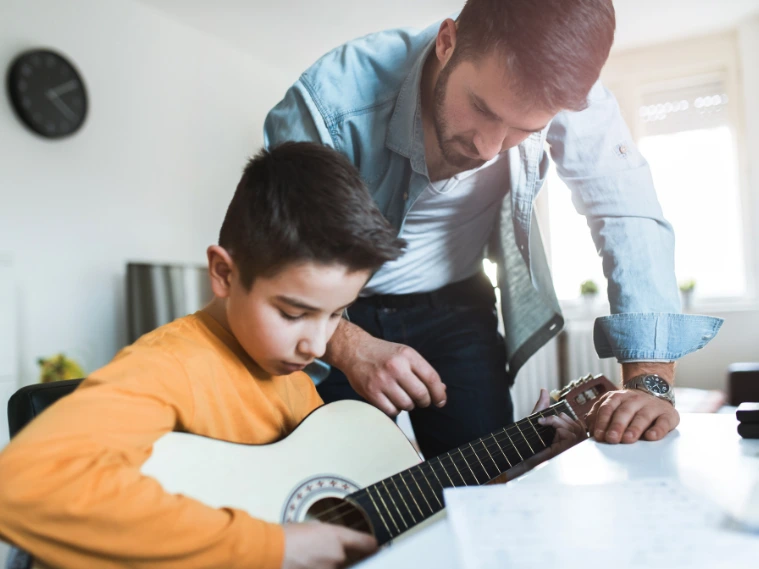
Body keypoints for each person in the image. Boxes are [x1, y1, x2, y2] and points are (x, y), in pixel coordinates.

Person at [0, 142, 584, 569]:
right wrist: (273, 547)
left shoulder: (293, 375)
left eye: (338, 314)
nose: (316, 342)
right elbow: (23, 487)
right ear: (225, 275)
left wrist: (517, 465)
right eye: (293, 311)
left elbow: (365, 500)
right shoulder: (172, 365)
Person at [264, 0, 724, 460]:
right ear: (447, 42)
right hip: (340, 313)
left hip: (457, 304)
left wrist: (648, 382)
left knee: (486, 473)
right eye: (480, 108)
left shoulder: (570, 97)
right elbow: (275, 257)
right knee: (342, 482)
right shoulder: (328, 105)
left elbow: (626, 215)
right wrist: (348, 345)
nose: (488, 148)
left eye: (522, 130)